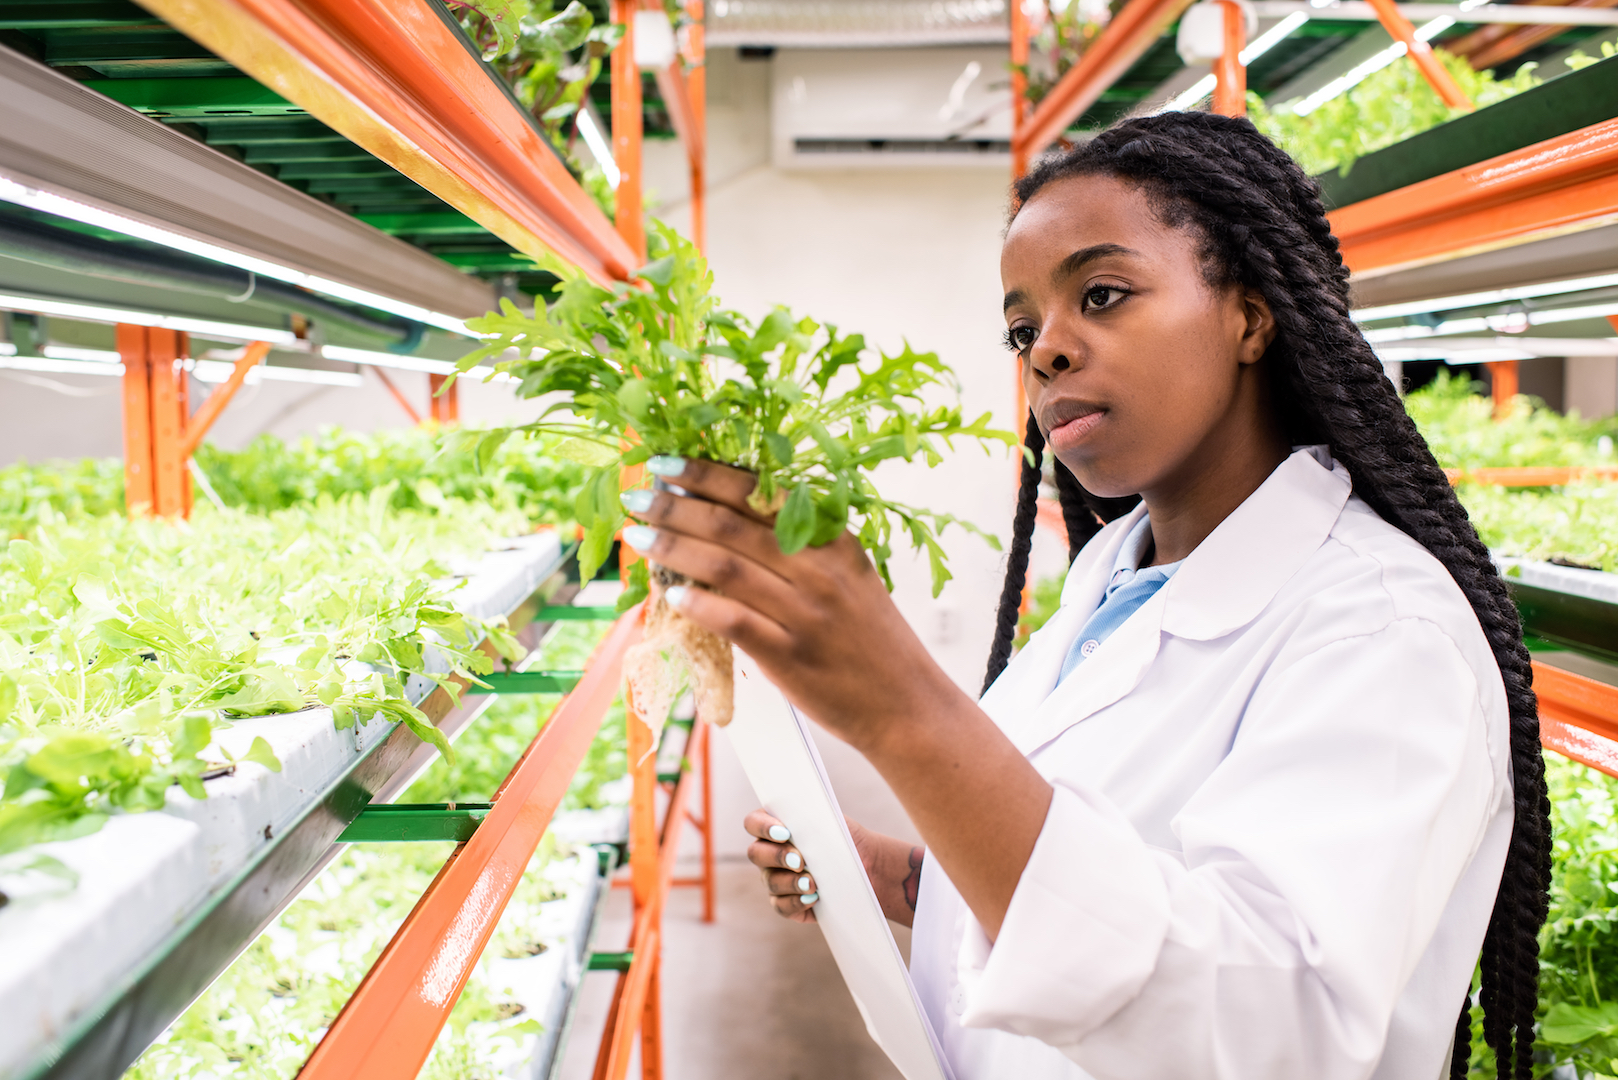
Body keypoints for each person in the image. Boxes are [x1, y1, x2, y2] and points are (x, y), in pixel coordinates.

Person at [618, 111, 1549, 1080]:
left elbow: (1276, 1031)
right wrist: (892, 878)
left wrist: (904, 709)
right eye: (1022, 329)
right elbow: (1091, 869)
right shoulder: (1117, 582)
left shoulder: (1385, 633)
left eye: (1101, 295)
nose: (1046, 352)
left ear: (1251, 313)